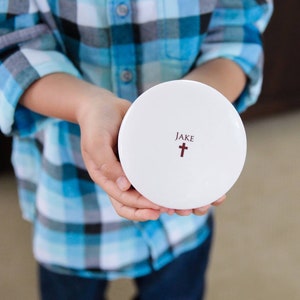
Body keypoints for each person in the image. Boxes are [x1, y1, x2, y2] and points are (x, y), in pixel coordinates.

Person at [0, 1, 273, 299]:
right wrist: (85, 105)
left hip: (181, 218)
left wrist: (193, 99)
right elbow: (11, 45)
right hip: (72, 206)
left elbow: (237, 31)